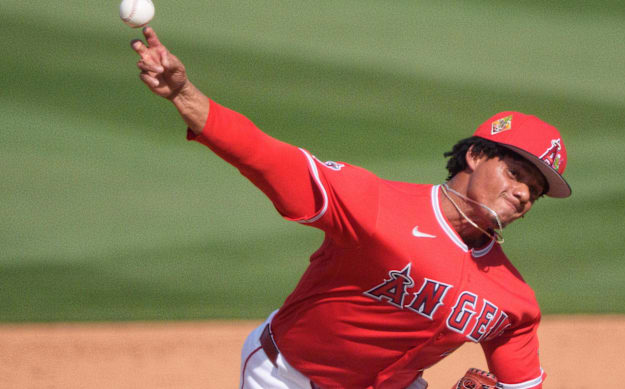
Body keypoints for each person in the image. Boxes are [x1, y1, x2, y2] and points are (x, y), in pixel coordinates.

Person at [130, 27, 571, 389]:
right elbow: (264, 156)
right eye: (516, 174)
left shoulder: (513, 299)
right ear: (475, 155)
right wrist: (184, 93)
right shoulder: (373, 205)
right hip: (288, 379)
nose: (523, 194)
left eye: (535, 190)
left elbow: (521, 383)